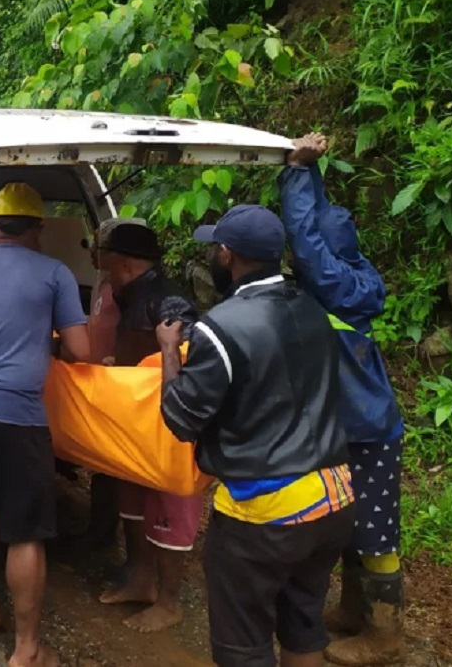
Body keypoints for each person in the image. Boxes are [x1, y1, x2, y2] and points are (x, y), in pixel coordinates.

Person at [157, 204, 356, 667]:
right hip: (334, 498)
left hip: (265, 513)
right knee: (303, 627)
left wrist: (170, 351)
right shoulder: (314, 308)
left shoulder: (220, 327)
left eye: (214, 248)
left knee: (244, 645)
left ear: (227, 254)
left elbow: (181, 419)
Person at [0, 182, 91, 667]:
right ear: (39, 227)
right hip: (15, 413)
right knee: (25, 532)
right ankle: (27, 648)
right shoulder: (54, 273)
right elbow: (81, 350)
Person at [280, 133, 406, 665]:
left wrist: (294, 171)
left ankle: (386, 633)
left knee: (375, 529)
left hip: (367, 428)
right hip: (354, 422)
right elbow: (322, 226)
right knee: (351, 521)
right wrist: (313, 174)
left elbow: (309, 239)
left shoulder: (336, 283)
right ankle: (354, 612)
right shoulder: (353, 274)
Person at [95, 222, 202, 633]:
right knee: (133, 498)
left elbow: (185, 352)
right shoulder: (129, 293)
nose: (94, 256)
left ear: (121, 261)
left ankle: (170, 601)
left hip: (168, 424)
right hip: (137, 421)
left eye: (101, 250)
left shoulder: (168, 299)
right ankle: (141, 578)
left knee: (171, 506)